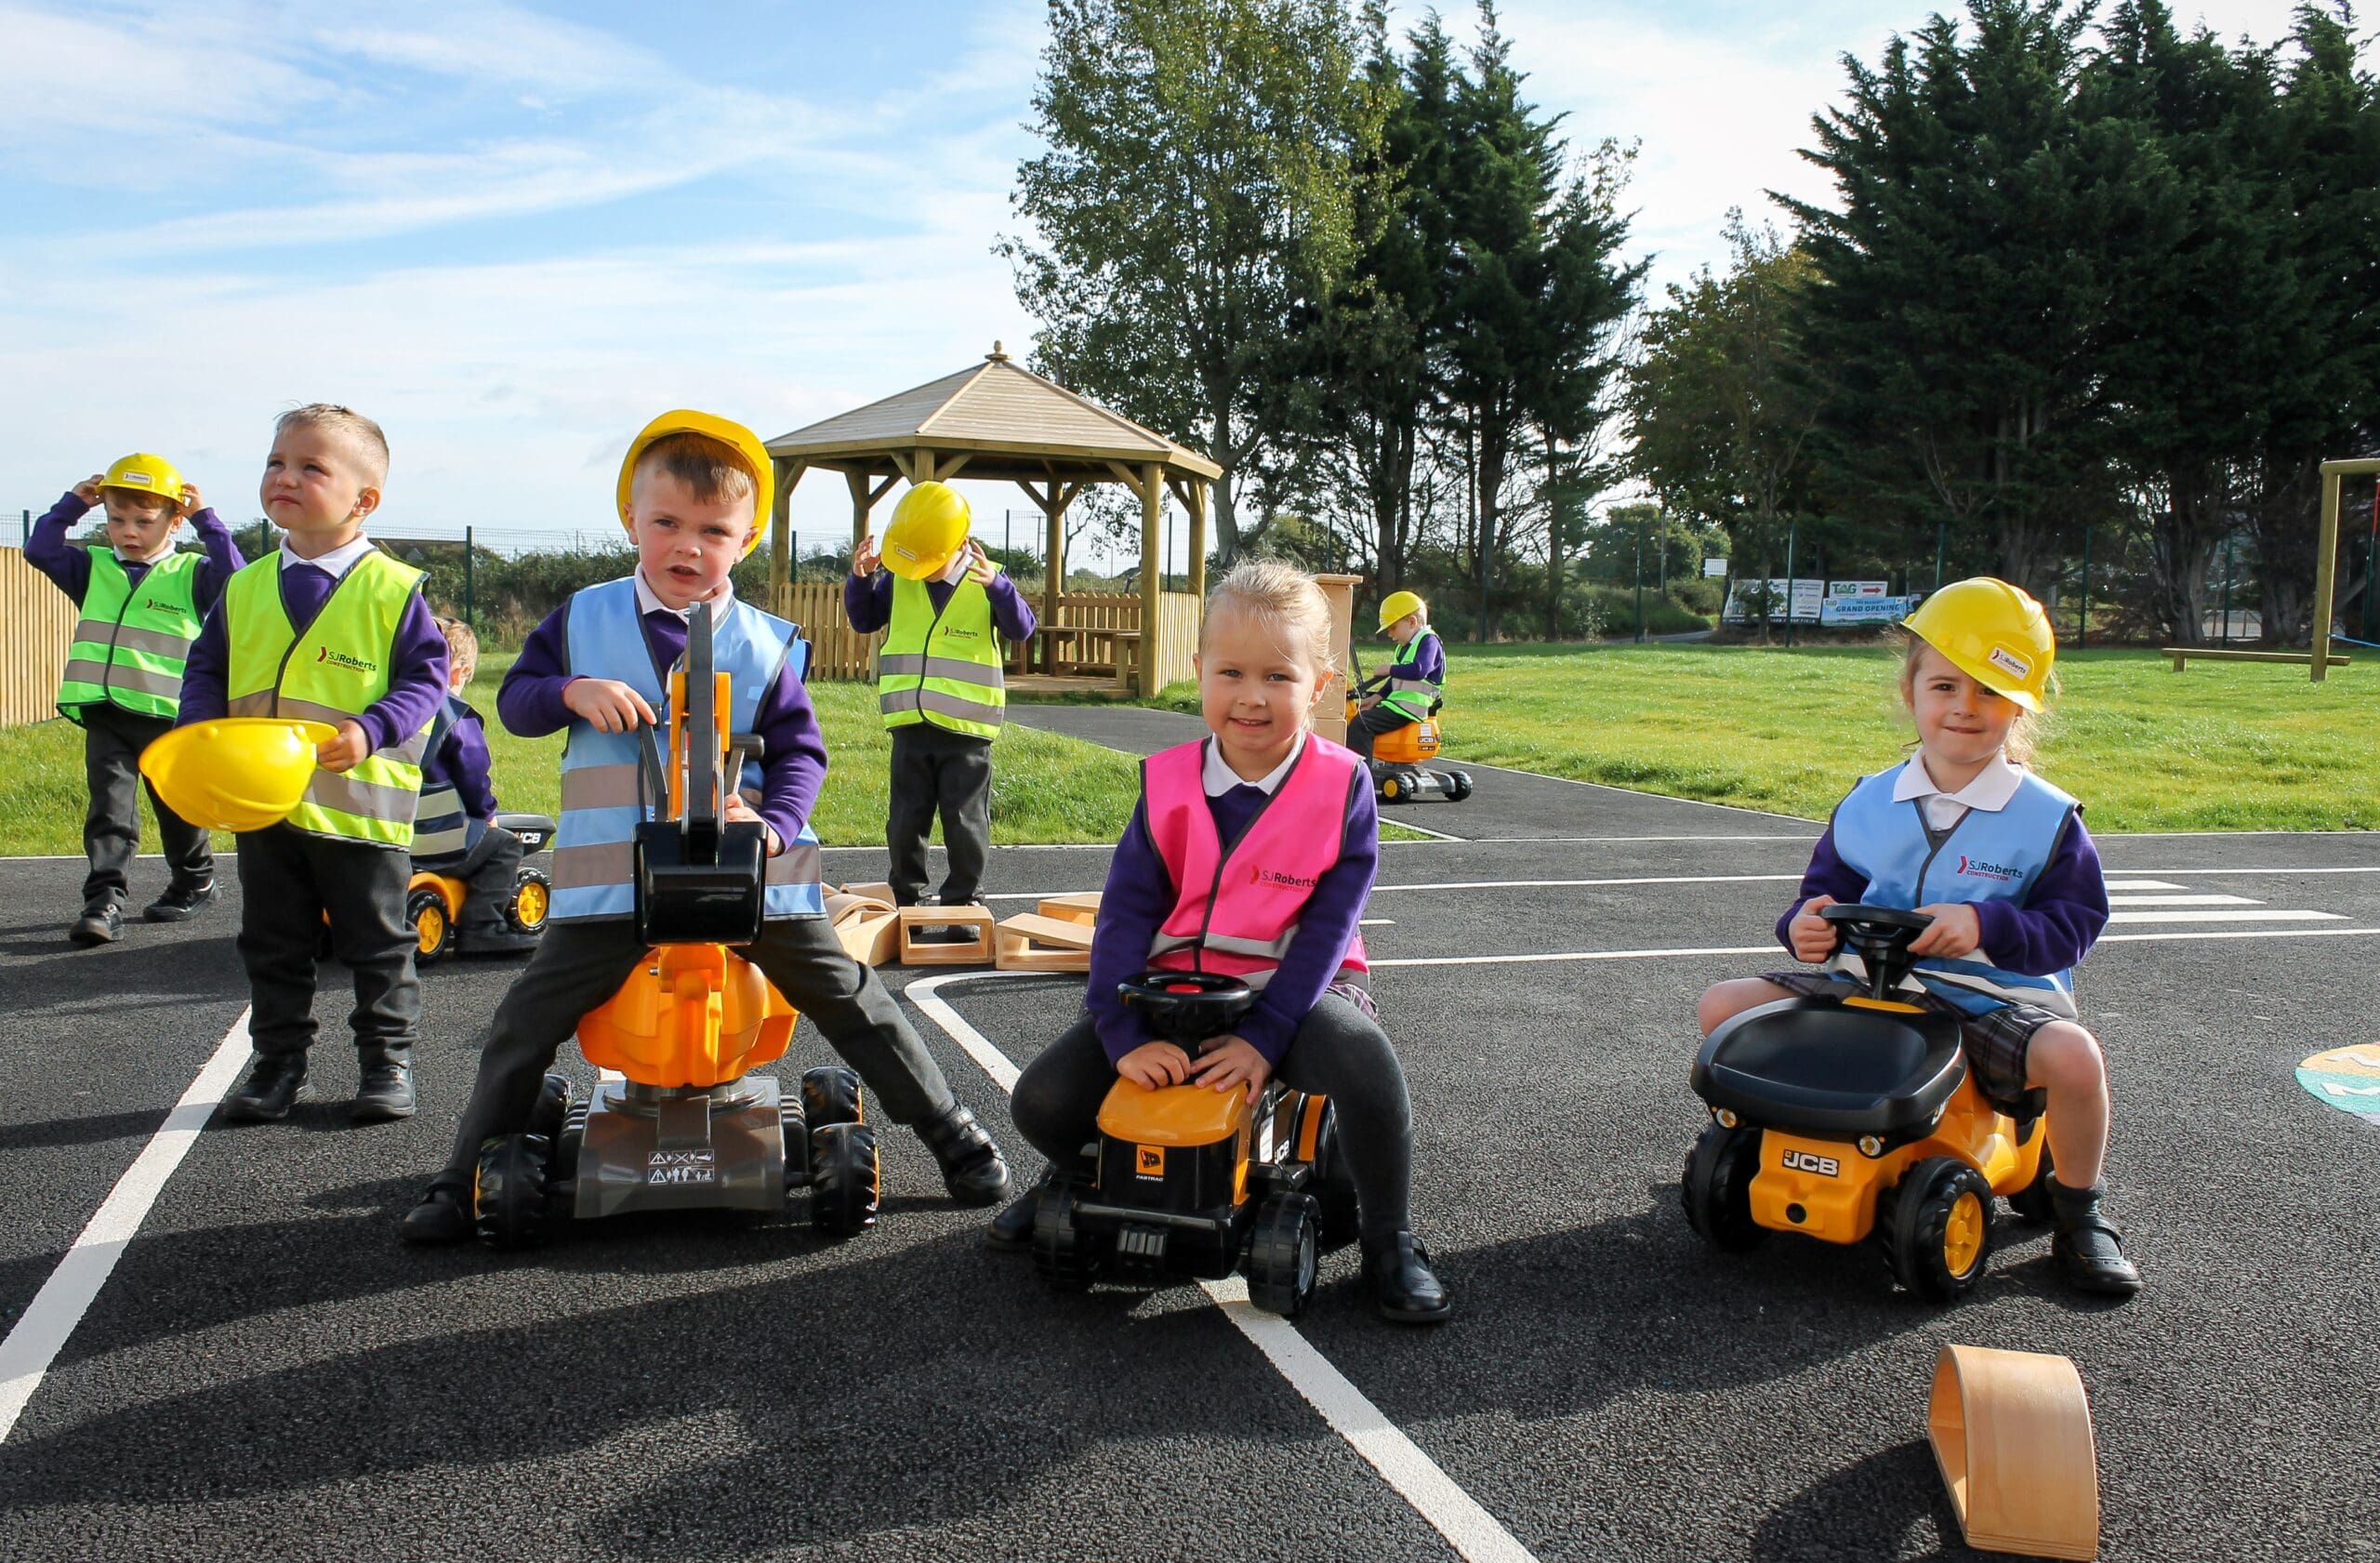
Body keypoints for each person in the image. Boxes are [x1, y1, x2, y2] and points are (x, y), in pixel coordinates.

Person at [401, 411, 1010, 1244]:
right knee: (522, 1025)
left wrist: (773, 819)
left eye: (713, 530)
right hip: (613, 880)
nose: (688, 546)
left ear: (748, 536)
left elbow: (802, 754)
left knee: (851, 996)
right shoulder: (581, 619)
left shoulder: (768, 643)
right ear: (631, 521)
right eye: (667, 524)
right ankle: (453, 1179)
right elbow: (515, 700)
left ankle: (950, 1131)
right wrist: (569, 691)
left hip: (747, 873)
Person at [989, 560, 1450, 1324]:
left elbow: (1330, 928)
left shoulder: (1344, 786)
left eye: (1278, 675)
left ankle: (1389, 1240)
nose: (1252, 696)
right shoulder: (1167, 783)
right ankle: (1080, 1171)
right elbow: (1124, 917)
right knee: (1041, 1100)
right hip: (1174, 995)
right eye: (1231, 671)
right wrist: (1122, 1029)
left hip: (1292, 995)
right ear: (1199, 671)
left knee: (1365, 1061)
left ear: (1322, 684)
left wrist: (1266, 1039)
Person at [1695, 577, 2139, 1296]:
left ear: (2023, 704)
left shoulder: (2046, 818)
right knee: (1722, 1006)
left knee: (2075, 1058)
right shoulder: (1870, 799)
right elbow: (1821, 894)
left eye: (1991, 691)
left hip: (1986, 1000)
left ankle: (2080, 1212)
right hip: (1862, 985)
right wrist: (1803, 927)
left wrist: (1987, 925)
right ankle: (1770, 1144)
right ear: (1911, 691)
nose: (1965, 707)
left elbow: (2076, 924)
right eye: (1946, 685)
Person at [178, 405, 449, 1124]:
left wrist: (373, 727)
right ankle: (277, 1063)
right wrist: (196, 730)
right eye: (276, 462)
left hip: (358, 811)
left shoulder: (394, 587)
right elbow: (207, 670)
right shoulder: (243, 585)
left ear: (364, 500)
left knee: (378, 943)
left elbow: (428, 679)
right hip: (263, 806)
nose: (285, 477)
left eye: (310, 467)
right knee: (273, 942)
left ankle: (386, 1061)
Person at [29, 455, 245, 944]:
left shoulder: (192, 574)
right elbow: (40, 549)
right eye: (116, 519)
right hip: (106, 713)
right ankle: (104, 903)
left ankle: (196, 879)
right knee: (109, 809)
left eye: (144, 522)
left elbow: (238, 576)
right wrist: (73, 505)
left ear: (173, 522)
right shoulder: (92, 567)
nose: (128, 531)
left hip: (169, 718)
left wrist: (205, 520)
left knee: (177, 809)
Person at [843, 480, 1035, 927]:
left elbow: (1022, 629)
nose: (920, 572)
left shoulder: (987, 580)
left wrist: (1001, 589)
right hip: (910, 724)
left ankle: (963, 901)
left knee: (964, 820)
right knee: (905, 820)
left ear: (959, 545)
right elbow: (864, 617)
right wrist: (860, 578)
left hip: (967, 732)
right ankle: (904, 896)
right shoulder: (900, 576)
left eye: (929, 564)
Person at [414, 616, 538, 955]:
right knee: (504, 847)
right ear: (460, 671)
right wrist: (487, 814)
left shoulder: (393, 707)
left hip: (392, 834)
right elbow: (473, 775)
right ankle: (484, 927)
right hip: (438, 837)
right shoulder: (455, 715)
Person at [1347, 589, 1443, 762]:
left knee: (1361, 724)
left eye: (1393, 628)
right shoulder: (1404, 648)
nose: (1390, 634)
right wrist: (1377, 697)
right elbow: (1397, 681)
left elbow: (1418, 670)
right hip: (1399, 705)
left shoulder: (1429, 642)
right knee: (1355, 716)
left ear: (1412, 622)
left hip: (1411, 709)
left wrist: (1389, 669)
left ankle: (1361, 778)